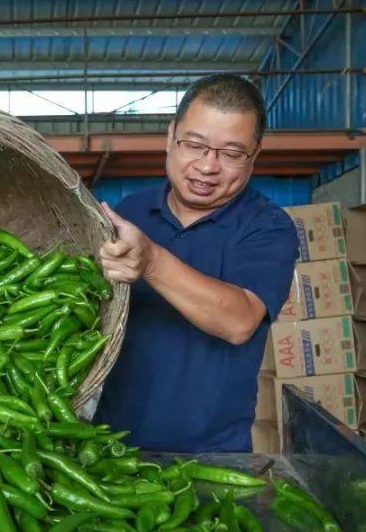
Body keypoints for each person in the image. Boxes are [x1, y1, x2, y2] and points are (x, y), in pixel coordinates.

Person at [95, 74, 298, 453]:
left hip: (213, 458)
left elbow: (240, 321)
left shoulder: (268, 227)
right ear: (171, 136)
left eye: (232, 153)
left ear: (254, 155)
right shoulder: (131, 212)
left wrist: (151, 261)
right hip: (111, 446)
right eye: (195, 145)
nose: (208, 167)